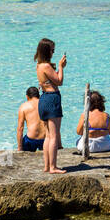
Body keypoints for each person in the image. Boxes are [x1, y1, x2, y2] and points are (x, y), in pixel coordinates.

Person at [35, 38, 66, 175]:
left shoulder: (39, 66)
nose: (53, 52)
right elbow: (59, 81)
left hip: (43, 99)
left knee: (48, 135)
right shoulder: (47, 67)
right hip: (52, 98)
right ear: (48, 51)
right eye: (52, 50)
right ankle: (53, 167)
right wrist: (60, 66)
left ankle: (47, 166)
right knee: (53, 135)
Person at [74, 89, 110, 154]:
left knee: (77, 141)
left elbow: (79, 132)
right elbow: (109, 132)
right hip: (105, 145)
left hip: (88, 146)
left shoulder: (85, 115)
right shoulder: (107, 116)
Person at [16, 86, 45, 152]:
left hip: (31, 139)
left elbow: (20, 128)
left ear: (27, 96)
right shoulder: (45, 104)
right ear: (38, 95)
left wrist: (20, 148)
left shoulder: (24, 107)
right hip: (45, 139)